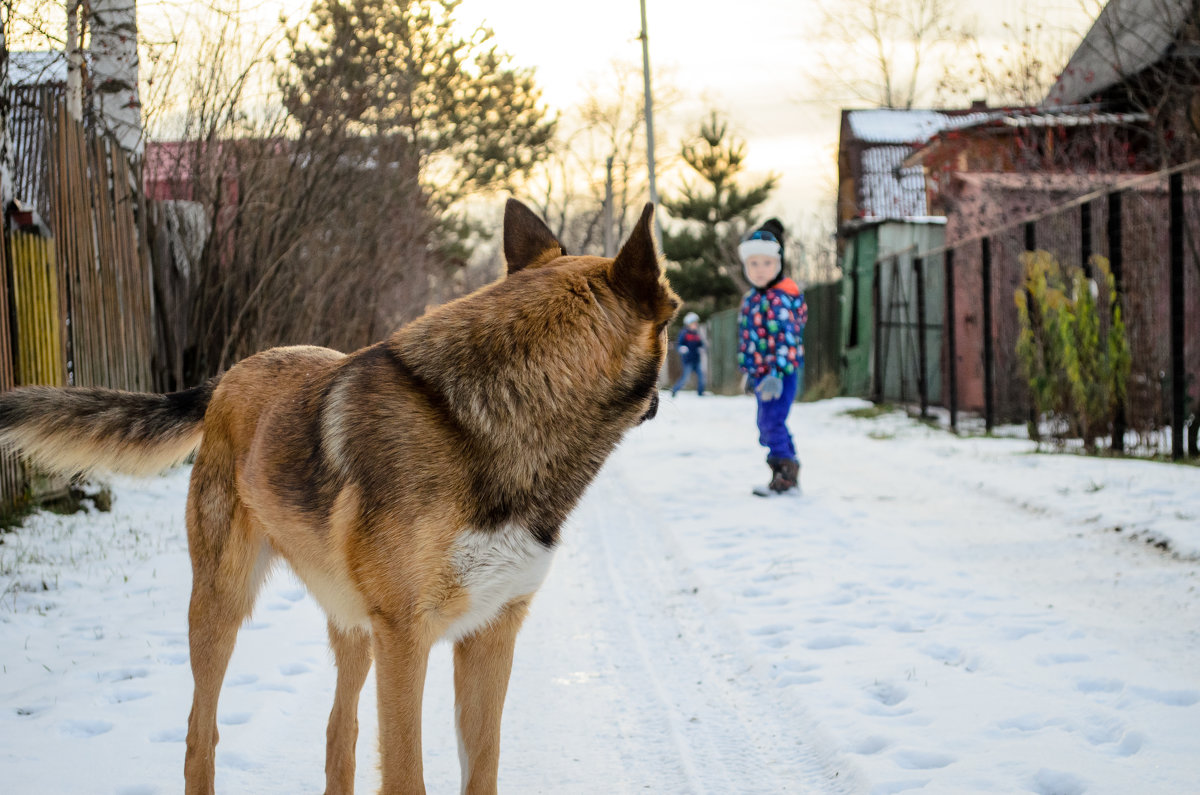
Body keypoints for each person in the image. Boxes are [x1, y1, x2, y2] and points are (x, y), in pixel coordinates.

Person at [736, 220, 807, 495]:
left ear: (778, 263)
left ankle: (786, 475)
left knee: (771, 423)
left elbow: (786, 339)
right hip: (762, 374)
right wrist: (750, 372)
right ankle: (785, 471)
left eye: (766, 263)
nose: (760, 269)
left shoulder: (780, 298)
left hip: (780, 373)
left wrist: (776, 374)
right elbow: (751, 339)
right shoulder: (754, 298)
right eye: (753, 264)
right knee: (766, 424)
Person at [671, 311, 706, 396]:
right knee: (685, 378)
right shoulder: (684, 333)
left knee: (701, 377)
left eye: (696, 323)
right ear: (689, 323)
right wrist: (681, 348)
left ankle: (700, 393)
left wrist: (701, 348)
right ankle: (674, 390)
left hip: (696, 359)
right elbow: (679, 344)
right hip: (687, 360)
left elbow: (701, 344)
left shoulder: (696, 334)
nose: (696, 325)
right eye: (694, 323)